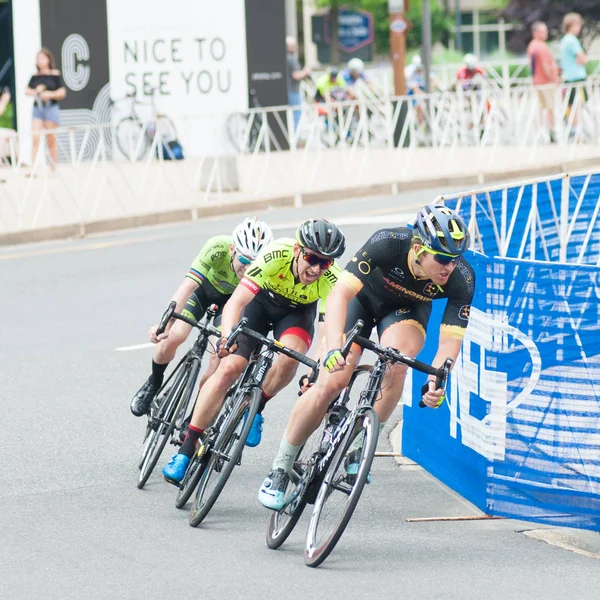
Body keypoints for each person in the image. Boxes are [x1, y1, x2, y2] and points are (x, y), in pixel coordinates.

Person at [258, 205, 475, 510]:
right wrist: (333, 347)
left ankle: (360, 446)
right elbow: (338, 297)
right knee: (331, 382)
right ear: (417, 248)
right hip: (361, 300)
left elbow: (450, 343)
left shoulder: (462, 278)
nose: (449, 267)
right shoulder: (388, 242)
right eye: (442, 259)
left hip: (406, 312)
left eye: (455, 260)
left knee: (398, 363)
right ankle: (280, 468)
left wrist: (435, 381)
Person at [161, 219, 346, 484]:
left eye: (325, 262)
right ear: (297, 250)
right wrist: (227, 337)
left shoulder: (331, 279)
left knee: (291, 357)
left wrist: (314, 369)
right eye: (311, 258)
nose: (316, 268)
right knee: (229, 368)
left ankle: (256, 408)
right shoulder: (274, 255)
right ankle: (186, 448)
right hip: (258, 304)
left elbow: (329, 332)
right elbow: (236, 302)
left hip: (296, 314)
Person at [130, 217, 273, 418]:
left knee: (218, 356)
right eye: (243, 260)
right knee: (174, 336)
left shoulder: (267, 268)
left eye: (254, 263)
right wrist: (165, 324)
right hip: (203, 292)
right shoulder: (217, 247)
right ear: (232, 250)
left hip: (231, 303)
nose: (248, 269)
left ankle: (198, 413)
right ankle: (154, 381)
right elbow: (187, 287)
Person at [25, 48, 67, 173]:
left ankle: (53, 166)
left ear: (48, 59)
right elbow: (26, 90)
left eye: (43, 58)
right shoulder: (35, 77)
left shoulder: (55, 75)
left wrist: (49, 94)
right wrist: (36, 91)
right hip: (38, 108)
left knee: (51, 138)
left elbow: (62, 92)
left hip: (50, 107)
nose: (41, 61)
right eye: (39, 59)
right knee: (35, 137)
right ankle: (32, 167)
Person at [527, 22, 559, 142]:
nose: (545, 34)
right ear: (536, 33)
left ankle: (540, 131)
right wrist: (554, 78)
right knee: (549, 107)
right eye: (543, 31)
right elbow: (546, 65)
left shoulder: (532, 46)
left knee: (540, 107)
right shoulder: (541, 47)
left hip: (537, 81)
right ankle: (551, 131)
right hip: (545, 82)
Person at [560, 13, 587, 131]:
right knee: (579, 104)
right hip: (577, 77)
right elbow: (582, 58)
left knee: (571, 105)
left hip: (568, 76)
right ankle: (577, 128)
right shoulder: (572, 40)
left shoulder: (564, 40)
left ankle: (574, 128)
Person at [286, 36, 311, 134]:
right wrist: (306, 71)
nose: (294, 47)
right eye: (292, 45)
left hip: (289, 90)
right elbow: (296, 75)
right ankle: (293, 137)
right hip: (293, 90)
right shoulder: (291, 58)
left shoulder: (285, 58)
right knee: (296, 113)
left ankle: (292, 137)